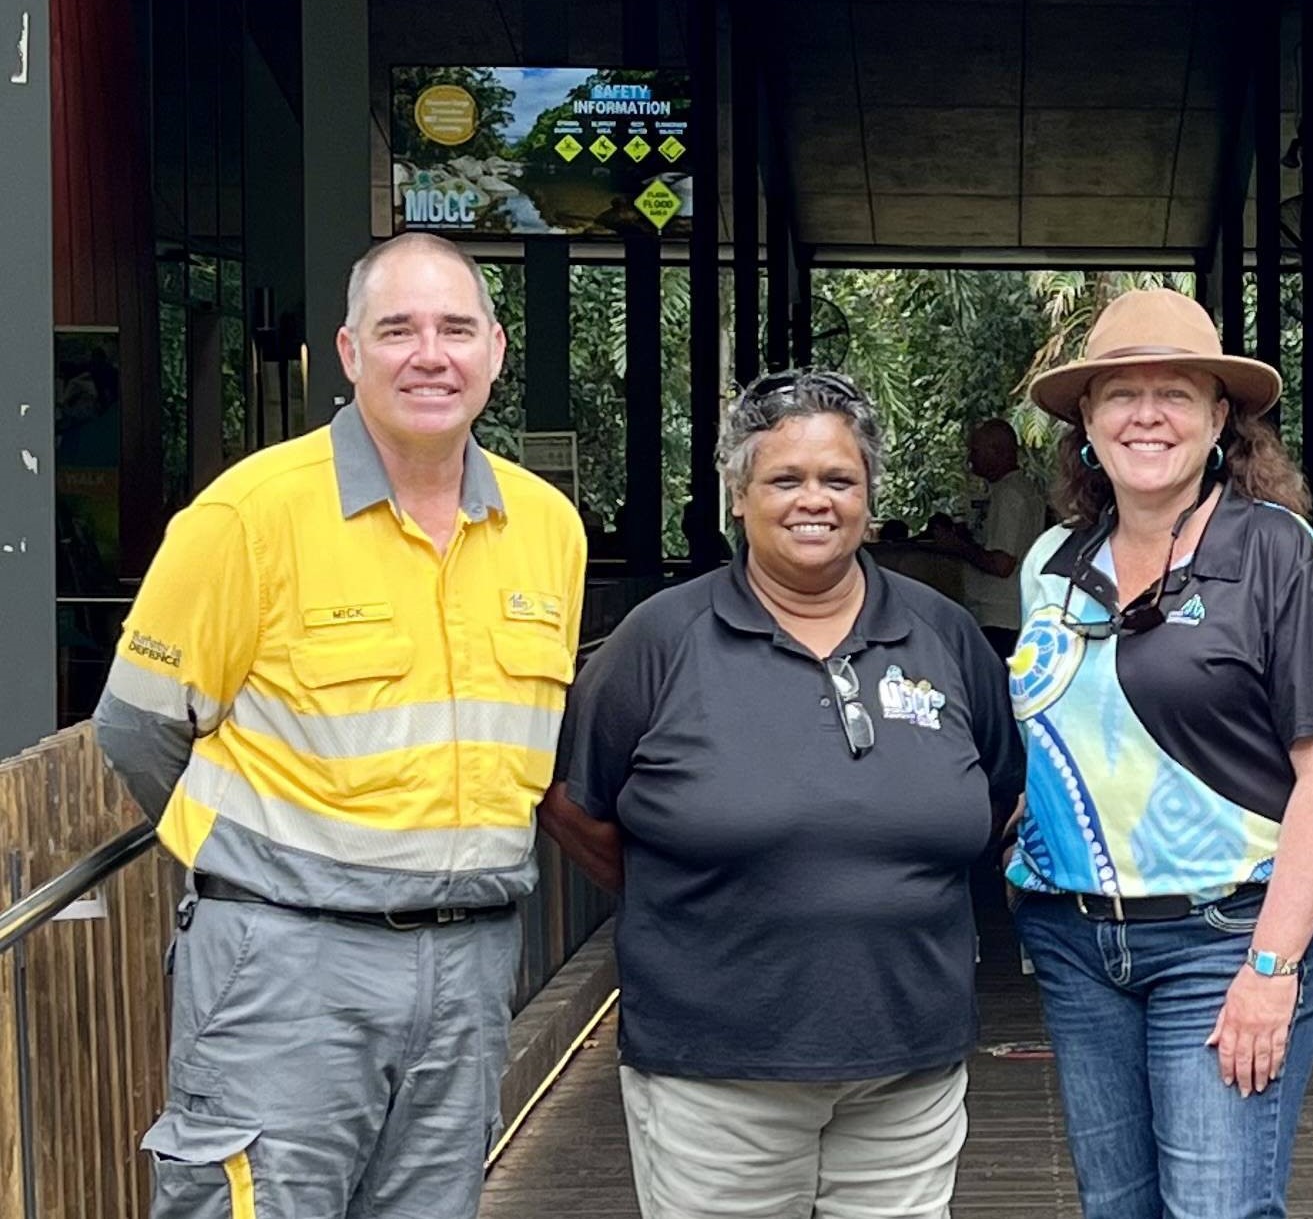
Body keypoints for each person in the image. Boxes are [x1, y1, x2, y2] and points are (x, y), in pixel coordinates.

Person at [92, 233, 587, 1219]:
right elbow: (139, 731)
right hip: (286, 962)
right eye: (396, 329)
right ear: (350, 352)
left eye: (454, 328)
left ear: (494, 349)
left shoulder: (546, 527)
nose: (429, 354)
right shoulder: (250, 514)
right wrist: (266, 867)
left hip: (471, 963)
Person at [539, 369, 1021, 1219]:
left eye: (839, 480)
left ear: (870, 496)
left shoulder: (942, 634)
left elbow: (996, 798)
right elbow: (576, 806)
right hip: (715, 1067)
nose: (815, 501)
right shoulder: (660, 641)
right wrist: (711, 892)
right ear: (738, 495)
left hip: (908, 1064)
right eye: (784, 479)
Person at [1009, 288, 1313, 1219]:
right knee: (1114, 1207)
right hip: (1076, 939)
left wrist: (1270, 970)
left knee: (1216, 1206)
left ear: (1219, 419)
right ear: (1085, 424)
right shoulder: (1049, 562)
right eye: (1118, 395)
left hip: (1228, 936)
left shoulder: (1280, 554)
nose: (1145, 415)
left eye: (1173, 392)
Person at [960, 416, 1049, 658]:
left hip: (999, 615)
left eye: (976, 451)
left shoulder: (1010, 495)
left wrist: (957, 547)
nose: (970, 459)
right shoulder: (1021, 490)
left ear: (997, 452)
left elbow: (1002, 563)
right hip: (1008, 613)